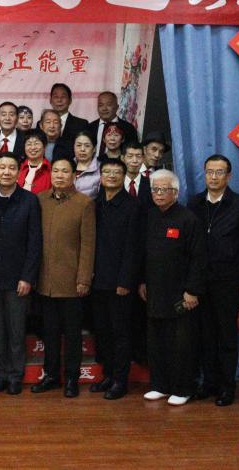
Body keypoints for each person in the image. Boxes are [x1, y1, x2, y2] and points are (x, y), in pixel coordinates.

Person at [187, 154, 239, 407]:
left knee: (226, 336)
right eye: (209, 172)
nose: (213, 177)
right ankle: (209, 383)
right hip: (200, 281)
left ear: (229, 176)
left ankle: (227, 387)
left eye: (219, 172)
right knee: (205, 335)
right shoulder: (194, 203)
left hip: (228, 280)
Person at [139, 170, 206, 406]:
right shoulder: (149, 216)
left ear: (175, 192)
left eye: (164, 189)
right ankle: (160, 385)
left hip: (181, 294)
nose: (158, 194)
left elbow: (199, 258)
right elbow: (144, 255)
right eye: (155, 189)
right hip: (155, 290)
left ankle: (183, 388)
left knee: (181, 343)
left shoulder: (188, 219)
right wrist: (143, 281)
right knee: (156, 341)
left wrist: (193, 290)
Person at [31, 158, 95, 398]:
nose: (59, 175)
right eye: (56, 171)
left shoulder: (84, 203)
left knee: (72, 334)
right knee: (49, 333)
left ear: (73, 175)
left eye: (64, 171)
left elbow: (88, 245)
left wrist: (84, 279)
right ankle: (51, 376)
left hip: (72, 282)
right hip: (45, 281)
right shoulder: (40, 200)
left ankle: (71, 378)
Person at [0, 152, 42, 395]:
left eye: (11, 168)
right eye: (2, 167)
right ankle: (0, 375)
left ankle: (16, 375)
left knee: (16, 330)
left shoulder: (29, 200)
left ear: (18, 172)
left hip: (18, 278)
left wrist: (28, 277)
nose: (6, 172)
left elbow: (35, 242)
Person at [90, 158, 142, 400]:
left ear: (124, 176)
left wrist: (125, 281)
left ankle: (121, 380)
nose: (111, 176)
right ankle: (108, 374)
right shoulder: (95, 204)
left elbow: (134, 248)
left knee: (121, 333)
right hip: (96, 280)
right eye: (107, 172)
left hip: (120, 283)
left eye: (116, 172)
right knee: (102, 331)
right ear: (100, 177)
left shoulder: (133, 206)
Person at [88, 91, 139, 156]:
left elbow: (133, 152)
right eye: (100, 105)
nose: (104, 108)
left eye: (109, 105)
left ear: (117, 107)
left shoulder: (128, 128)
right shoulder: (90, 127)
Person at [49, 83, 89, 147]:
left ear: (70, 100)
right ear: (50, 100)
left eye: (63, 97)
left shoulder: (82, 124)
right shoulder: (41, 124)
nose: (59, 100)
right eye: (56, 97)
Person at [18, 129, 52, 194]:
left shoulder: (51, 170)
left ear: (45, 146)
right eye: (29, 144)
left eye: (36, 143)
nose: (33, 147)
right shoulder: (18, 167)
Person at [123, 141, 153, 207]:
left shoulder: (151, 183)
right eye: (130, 156)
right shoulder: (114, 182)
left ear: (143, 159)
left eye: (138, 156)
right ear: (122, 158)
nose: (134, 161)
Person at [72, 131, 100, 199]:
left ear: (94, 149)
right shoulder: (66, 165)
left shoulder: (101, 169)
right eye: (78, 145)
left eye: (87, 146)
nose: (82, 149)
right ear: (74, 147)